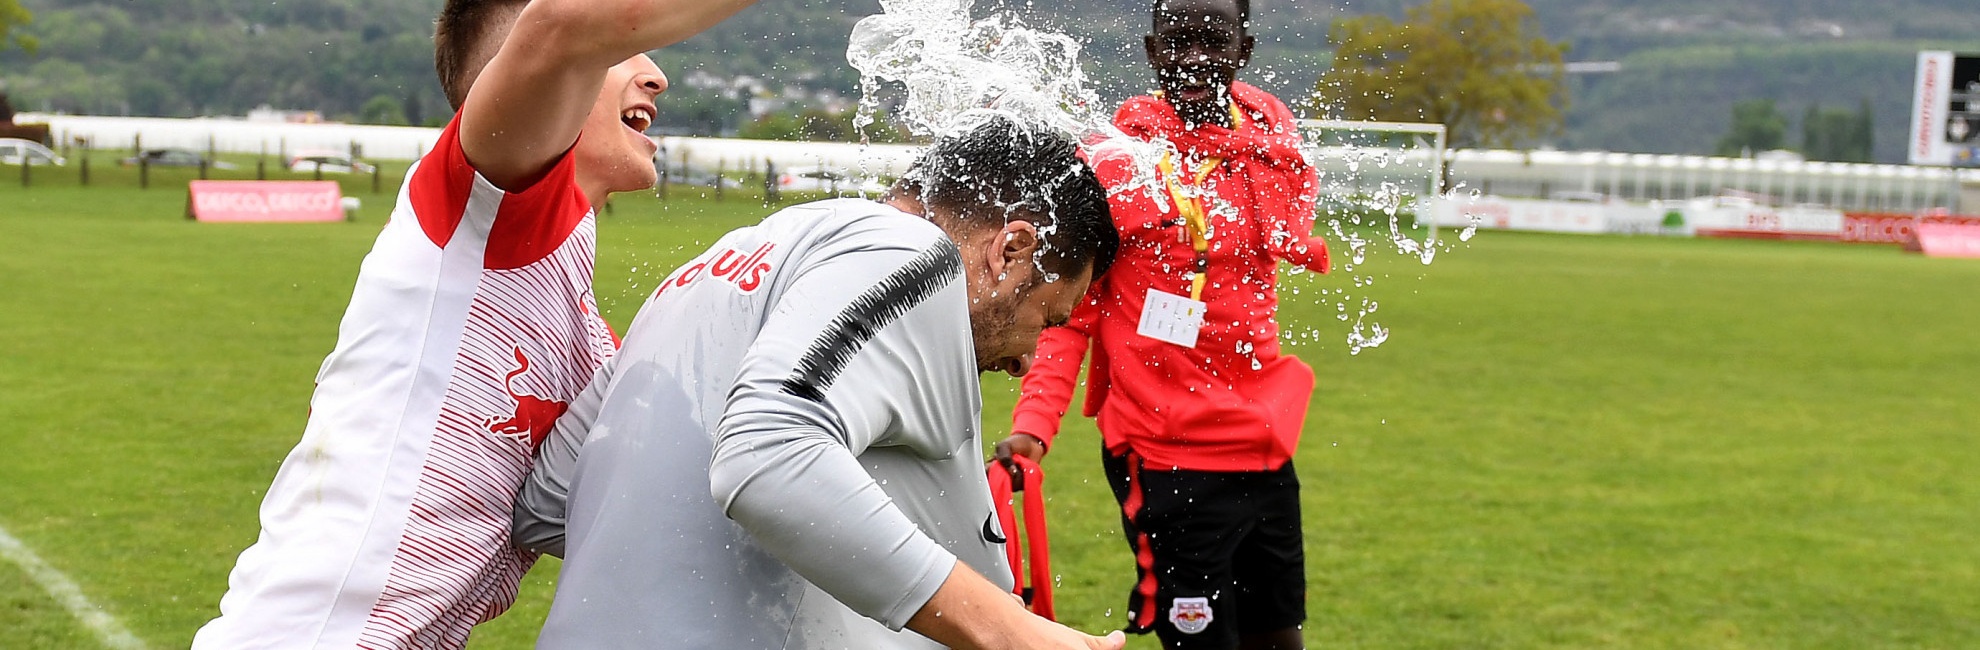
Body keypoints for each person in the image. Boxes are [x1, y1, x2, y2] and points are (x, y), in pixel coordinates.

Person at [192, 0, 760, 647]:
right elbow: (561, 27)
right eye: (620, 53)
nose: (656, 75)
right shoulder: (487, 202)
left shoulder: (582, 329)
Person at [510, 114, 1126, 650]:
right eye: (1047, 317)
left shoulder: (725, 256)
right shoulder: (911, 251)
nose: (1026, 360)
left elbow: (552, 501)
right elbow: (769, 459)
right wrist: (1006, 629)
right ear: (1012, 249)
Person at [994, 1, 1329, 648]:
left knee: (1281, 638)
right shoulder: (1115, 163)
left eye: (1214, 40)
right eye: (1177, 41)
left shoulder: (1271, 150)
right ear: (1152, 51)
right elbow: (1069, 316)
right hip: (1164, 453)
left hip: (1265, 443)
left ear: (1244, 49)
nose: (1195, 58)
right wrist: (1033, 427)